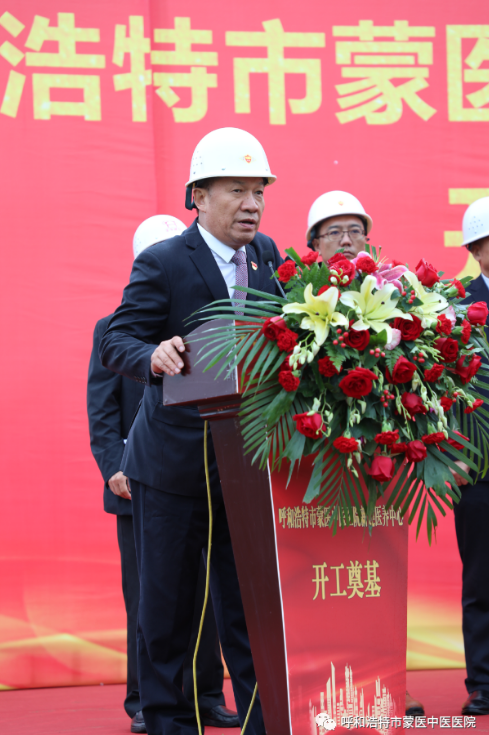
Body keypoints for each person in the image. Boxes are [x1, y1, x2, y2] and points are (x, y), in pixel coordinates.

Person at [99, 127, 283, 735]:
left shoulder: (267, 256)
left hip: (246, 465)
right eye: (237, 191)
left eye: (259, 192)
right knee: (169, 610)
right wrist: (153, 356)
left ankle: (262, 722)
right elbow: (117, 340)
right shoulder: (164, 261)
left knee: (250, 607)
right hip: (174, 466)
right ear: (198, 197)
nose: (252, 205)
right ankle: (169, 722)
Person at [88, 214, 238, 733]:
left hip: (207, 470)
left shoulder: (213, 313)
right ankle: (143, 702)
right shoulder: (115, 328)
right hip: (140, 475)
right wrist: (114, 466)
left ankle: (207, 694)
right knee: (154, 599)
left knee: (210, 598)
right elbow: (102, 410)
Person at [306, 191, 426, 718]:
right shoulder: (297, 291)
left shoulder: (394, 290)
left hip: (381, 455)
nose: (347, 239)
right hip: (318, 462)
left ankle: (389, 682)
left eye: (356, 230)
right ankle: (321, 680)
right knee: (324, 574)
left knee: (376, 570)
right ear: (314, 243)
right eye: (334, 232)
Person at [450, 196, 489, 716]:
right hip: (478, 467)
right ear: (478, 251)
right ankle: (484, 681)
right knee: (482, 580)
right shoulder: (455, 307)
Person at [306, 190, 373, 261]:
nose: (346, 241)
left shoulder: (381, 268)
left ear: (365, 241)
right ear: (317, 245)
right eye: (334, 232)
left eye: (355, 231)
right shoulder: (299, 269)